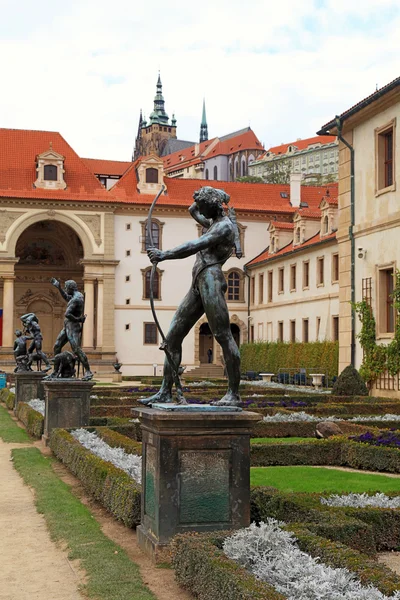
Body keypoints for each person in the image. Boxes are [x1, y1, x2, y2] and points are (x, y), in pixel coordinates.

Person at [141, 186, 241, 406]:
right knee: (172, 338)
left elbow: (193, 245)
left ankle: (233, 393)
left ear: (213, 205)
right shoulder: (213, 222)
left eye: (205, 206)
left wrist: (163, 254)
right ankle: (165, 391)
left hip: (211, 282)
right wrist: (208, 195)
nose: (201, 211)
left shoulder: (224, 227)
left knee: (223, 336)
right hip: (199, 282)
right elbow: (191, 209)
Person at [49, 279, 93, 381]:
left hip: (73, 326)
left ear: (70, 288)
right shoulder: (75, 296)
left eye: (65, 287)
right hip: (67, 325)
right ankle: (56, 371)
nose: (65, 289)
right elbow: (66, 297)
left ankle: (88, 371)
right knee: (57, 346)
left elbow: (67, 314)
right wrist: (59, 288)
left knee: (76, 349)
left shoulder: (76, 299)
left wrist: (78, 319)